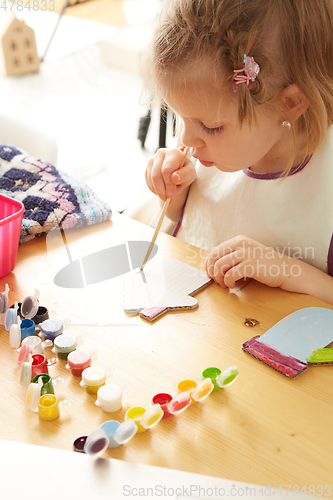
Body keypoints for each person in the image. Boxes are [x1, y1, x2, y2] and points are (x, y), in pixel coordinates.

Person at [143, 0, 333, 305]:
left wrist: (289, 271)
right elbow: (197, 225)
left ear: (290, 105)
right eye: (180, 116)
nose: (188, 140)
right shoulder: (211, 140)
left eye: (210, 126)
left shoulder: (327, 183)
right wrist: (176, 193)